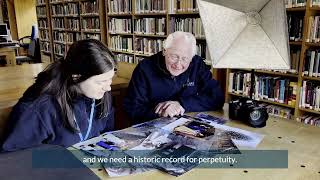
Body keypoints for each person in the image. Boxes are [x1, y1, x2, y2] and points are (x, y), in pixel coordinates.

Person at [1, 39, 116, 152]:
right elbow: (13, 158)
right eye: (100, 82)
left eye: (110, 79)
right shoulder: (40, 107)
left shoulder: (100, 94)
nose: (108, 87)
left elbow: (106, 134)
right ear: (76, 76)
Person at [124, 31, 224, 124]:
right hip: (153, 127)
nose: (178, 64)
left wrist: (182, 104)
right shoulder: (144, 68)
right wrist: (161, 112)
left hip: (186, 125)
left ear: (191, 58)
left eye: (185, 59)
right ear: (164, 51)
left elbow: (217, 97)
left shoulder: (197, 64)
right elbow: (132, 110)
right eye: (174, 56)